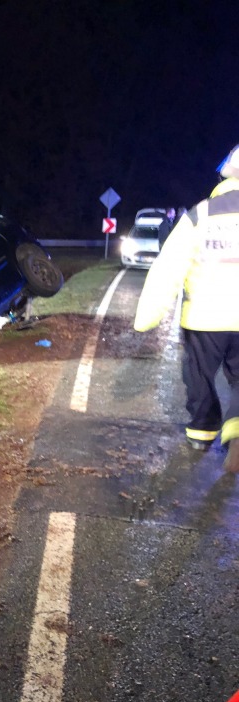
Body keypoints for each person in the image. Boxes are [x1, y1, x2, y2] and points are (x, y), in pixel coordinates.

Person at [134, 143, 239, 473]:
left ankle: (201, 433)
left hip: (204, 317)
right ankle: (237, 429)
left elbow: (168, 266)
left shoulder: (201, 214)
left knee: (199, 375)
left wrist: (148, 316)